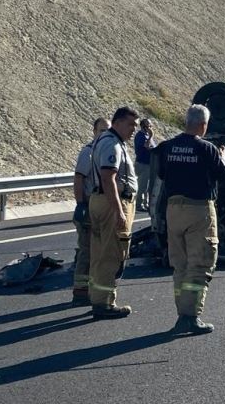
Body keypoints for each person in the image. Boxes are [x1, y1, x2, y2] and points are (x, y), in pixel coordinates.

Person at [157, 104, 225, 335]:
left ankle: (183, 312)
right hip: (198, 210)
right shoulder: (207, 149)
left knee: (180, 264)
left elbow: (161, 174)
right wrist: (224, 158)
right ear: (203, 125)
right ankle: (190, 317)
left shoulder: (167, 147)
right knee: (200, 263)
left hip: (173, 210)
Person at [88, 106, 140, 319]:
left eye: (135, 126)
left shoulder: (107, 142)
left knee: (100, 254)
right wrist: (119, 211)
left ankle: (97, 297)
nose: (133, 130)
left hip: (101, 201)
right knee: (112, 254)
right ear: (116, 122)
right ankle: (104, 304)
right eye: (130, 124)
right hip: (112, 204)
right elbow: (108, 177)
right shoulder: (112, 144)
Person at [70, 117, 110, 306]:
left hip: (99, 208)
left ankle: (92, 290)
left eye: (107, 131)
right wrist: (81, 205)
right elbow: (79, 180)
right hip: (88, 206)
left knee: (97, 252)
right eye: (101, 130)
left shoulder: (104, 151)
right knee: (86, 250)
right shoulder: (88, 152)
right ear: (94, 132)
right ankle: (80, 292)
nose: (104, 134)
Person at [134, 118, 157, 212]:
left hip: (149, 164)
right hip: (143, 164)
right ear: (144, 126)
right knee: (142, 186)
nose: (151, 127)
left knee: (147, 186)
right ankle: (138, 204)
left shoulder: (147, 136)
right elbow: (146, 146)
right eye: (149, 126)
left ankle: (145, 203)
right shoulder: (141, 136)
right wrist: (151, 135)